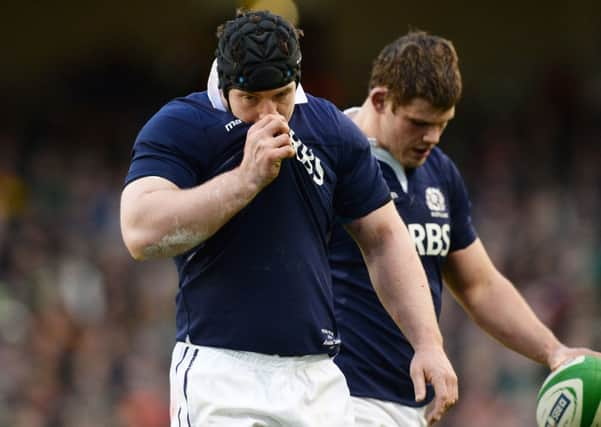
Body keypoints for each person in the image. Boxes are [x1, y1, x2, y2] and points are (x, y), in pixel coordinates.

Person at [120, 11, 458, 427]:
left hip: (315, 379)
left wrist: (427, 342)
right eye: (251, 99)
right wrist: (244, 181)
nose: (269, 114)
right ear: (224, 86)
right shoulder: (183, 125)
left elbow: (385, 236)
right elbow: (139, 229)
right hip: (223, 375)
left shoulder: (330, 128)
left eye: (281, 95)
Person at [329, 30, 601, 427]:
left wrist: (553, 351)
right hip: (340, 396)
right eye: (419, 123)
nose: (432, 138)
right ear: (380, 100)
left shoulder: (440, 171)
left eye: (442, 124)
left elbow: (479, 285)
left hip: (411, 404)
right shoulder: (328, 153)